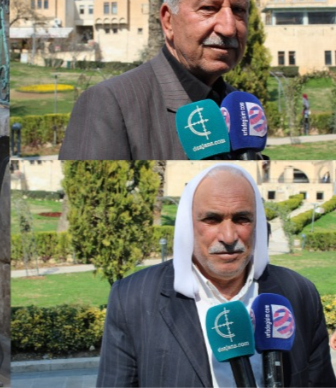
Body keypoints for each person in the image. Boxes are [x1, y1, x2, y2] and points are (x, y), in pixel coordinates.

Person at [96, 164, 335, 387]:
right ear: (188, 224)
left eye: (242, 219)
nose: (229, 236)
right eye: (212, 219)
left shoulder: (299, 293)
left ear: (258, 223)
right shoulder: (132, 298)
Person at [61, 0, 249, 160]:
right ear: (168, 21)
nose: (228, 27)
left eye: (238, 10)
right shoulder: (109, 103)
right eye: (208, 8)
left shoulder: (241, 109)